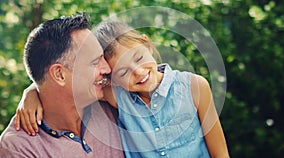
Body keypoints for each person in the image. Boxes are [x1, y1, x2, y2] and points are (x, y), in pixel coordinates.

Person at [16, 21, 230, 157]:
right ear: (113, 78)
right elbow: (59, 85)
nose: (138, 72)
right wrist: (32, 92)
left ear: (147, 44)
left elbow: (220, 153)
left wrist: (31, 93)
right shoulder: (118, 97)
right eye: (124, 72)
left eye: (138, 57)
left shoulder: (195, 87)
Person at [0, 14, 124, 157]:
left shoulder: (110, 99)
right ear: (59, 74)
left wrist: (31, 90)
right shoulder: (19, 148)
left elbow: (150, 74)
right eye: (95, 62)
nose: (107, 69)